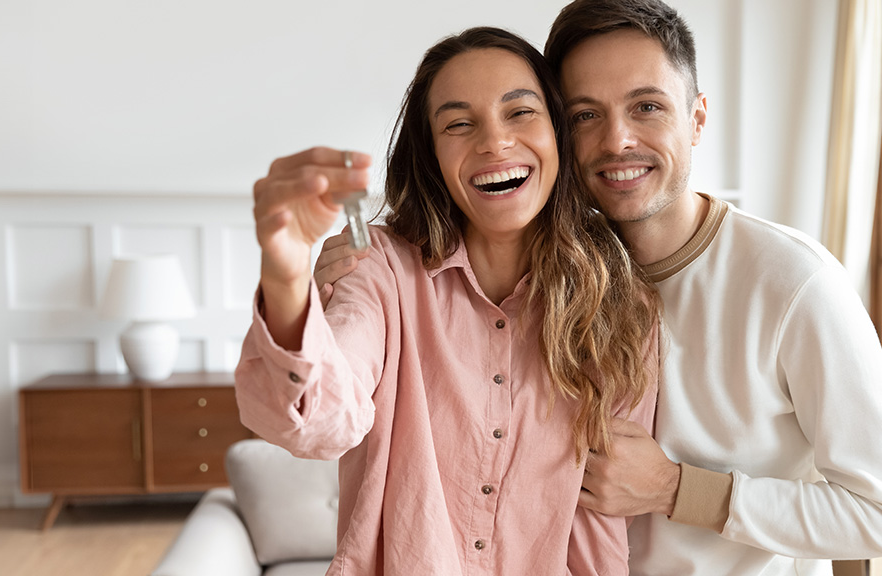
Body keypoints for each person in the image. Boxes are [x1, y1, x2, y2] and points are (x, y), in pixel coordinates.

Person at [317, 1, 882, 574]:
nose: (616, 141)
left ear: (697, 118)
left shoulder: (793, 282)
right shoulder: (548, 276)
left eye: (647, 107)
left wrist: (675, 488)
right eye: (585, 115)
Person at [236, 26, 659, 575]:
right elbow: (318, 423)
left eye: (520, 112)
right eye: (458, 124)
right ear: (432, 153)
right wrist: (285, 273)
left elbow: (610, 506)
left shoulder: (620, 296)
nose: (493, 143)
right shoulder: (379, 265)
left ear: (558, 134)